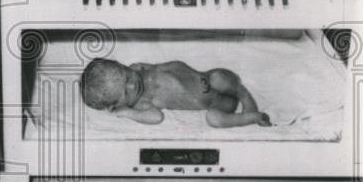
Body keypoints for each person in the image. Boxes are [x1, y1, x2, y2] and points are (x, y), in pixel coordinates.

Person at [80, 57, 271, 128]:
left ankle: (244, 95)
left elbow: (158, 67)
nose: (132, 85)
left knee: (218, 78)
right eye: (125, 92)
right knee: (214, 120)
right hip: (217, 105)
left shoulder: (141, 70)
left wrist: (146, 67)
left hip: (214, 81)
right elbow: (156, 118)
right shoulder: (142, 103)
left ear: (125, 66)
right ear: (117, 105)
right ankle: (251, 118)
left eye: (127, 76)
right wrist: (128, 113)